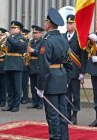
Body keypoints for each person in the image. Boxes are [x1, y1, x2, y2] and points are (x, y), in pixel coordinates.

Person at [36, 8, 70, 140]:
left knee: (52, 114)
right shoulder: (63, 39)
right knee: (62, 112)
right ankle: (64, 137)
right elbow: (68, 62)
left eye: (45, 21)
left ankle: (55, 137)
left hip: (50, 80)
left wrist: (40, 87)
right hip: (61, 77)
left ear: (49, 24)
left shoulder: (47, 41)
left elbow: (44, 67)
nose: (44, 23)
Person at [64, 14, 87, 125]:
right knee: (66, 93)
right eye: (67, 23)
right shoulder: (63, 36)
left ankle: (74, 114)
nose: (69, 25)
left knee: (75, 94)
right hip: (65, 71)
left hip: (75, 71)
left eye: (71, 23)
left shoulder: (79, 38)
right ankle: (67, 112)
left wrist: (82, 72)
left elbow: (83, 56)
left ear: (75, 24)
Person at [2, 21, 27, 112]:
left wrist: (8, 37)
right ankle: (10, 104)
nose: (12, 29)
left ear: (19, 30)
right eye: (11, 28)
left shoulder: (22, 38)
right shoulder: (10, 38)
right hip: (8, 63)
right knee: (9, 87)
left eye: (14, 28)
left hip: (16, 64)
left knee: (17, 87)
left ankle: (16, 105)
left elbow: (17, 45)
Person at [27, 25, 44, 110]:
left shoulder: (43, 41)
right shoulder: (32, 41)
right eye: (33, 33)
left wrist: (34, 51)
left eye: (36, 33)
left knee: (39, 85)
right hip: (32, 65)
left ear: (40, 33)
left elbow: (42, 52)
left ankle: (40, 103)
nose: (34, 34)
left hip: (39, 65)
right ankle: (34, 102)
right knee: (33, 85)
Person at [21, 28, 30, 104]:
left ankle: (25, 97)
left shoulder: (28, 42)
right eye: (22, 35)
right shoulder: (20, 42)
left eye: (24, 35)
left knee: (24, 83)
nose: (23, 36)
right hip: (19, 64)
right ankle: (21, 97)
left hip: (26, 65)